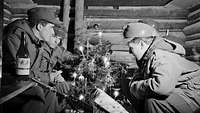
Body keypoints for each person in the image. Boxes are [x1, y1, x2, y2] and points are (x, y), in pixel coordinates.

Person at [2, 7, 71, 113]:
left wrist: (51, 75)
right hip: (12, 85)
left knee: (51, 94)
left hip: (28, 83)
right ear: (39, 26)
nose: (53, 32)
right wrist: (48, 77)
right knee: (37, 93)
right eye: (51, 27)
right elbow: (21, 72)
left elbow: (36, 70)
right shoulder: (16, 36)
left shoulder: (37, 41)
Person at [122, 22, 200, 113]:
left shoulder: (162, 56)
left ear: (141, 44)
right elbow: (139, 76)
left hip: (192, 96)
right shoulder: (146, 57)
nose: (129, 51)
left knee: (153, 102)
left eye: (131, 47)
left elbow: (161, 87)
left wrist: (135, 87)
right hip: (179, 92)